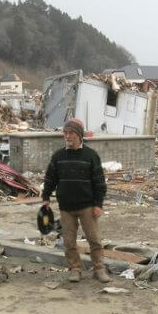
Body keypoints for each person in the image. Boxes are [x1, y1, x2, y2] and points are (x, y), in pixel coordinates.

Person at [41, 118, 110, 283]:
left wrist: (98, 204)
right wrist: (46, 198)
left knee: (94, 240)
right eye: (65, 133)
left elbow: (99, 183)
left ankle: (99, 269)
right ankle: (75, 269)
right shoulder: (58, 156)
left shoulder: (91, 156)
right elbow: (50, 178)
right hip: (66, 208)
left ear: (79, 135)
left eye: (71, 133)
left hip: (87, 206)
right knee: (69, 242)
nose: (67, 136)